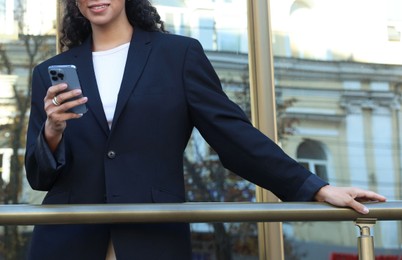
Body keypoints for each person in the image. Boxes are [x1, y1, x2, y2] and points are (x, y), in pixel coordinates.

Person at [24, 0, 386, 259]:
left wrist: (316, 187)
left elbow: (234, 136)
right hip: (66, 239)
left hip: (151, 237)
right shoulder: (50, 72)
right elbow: (39, 177)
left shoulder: (177, 55)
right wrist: (52, 132)